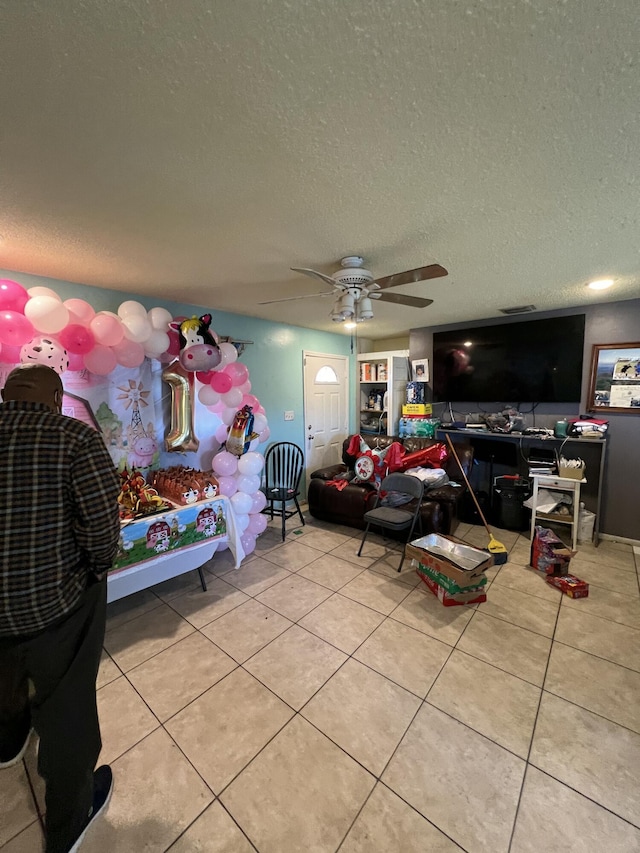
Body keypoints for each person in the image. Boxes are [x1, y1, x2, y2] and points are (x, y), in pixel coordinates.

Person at [0, 364, 120, 853]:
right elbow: (102, 535)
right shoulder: (75, 439)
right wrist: (94, 570)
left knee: (4, 682)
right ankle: (68, 822)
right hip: (55, 608)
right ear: (56, 397)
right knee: (68, 711)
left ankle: (7, 743)